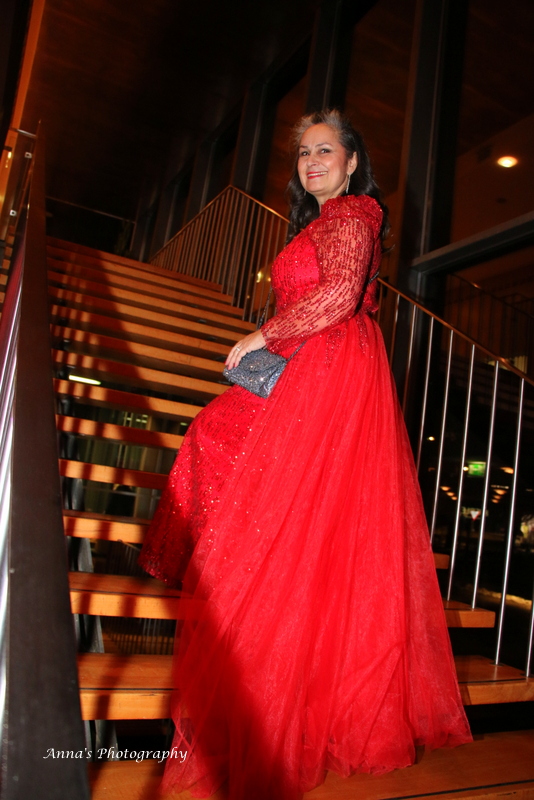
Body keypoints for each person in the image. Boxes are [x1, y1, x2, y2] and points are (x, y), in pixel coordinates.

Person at [139, 109, 471, 800]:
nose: (312, 160)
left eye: (326, 150)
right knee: (237, 467)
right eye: (303, 153)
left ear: (352, 163)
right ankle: (240, 602)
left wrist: (261, 335)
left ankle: (266, 648)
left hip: (329, 366)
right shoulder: (320, 222)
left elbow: (341, 296)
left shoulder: (353, 213)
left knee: (235, 460)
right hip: (310, 364)